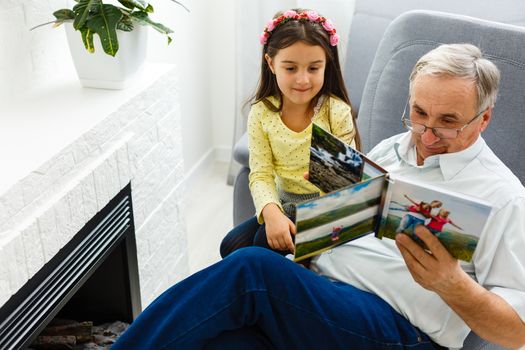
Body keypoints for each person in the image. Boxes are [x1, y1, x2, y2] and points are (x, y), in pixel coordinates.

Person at [111, 44, 525, 349]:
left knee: (250, 271)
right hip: (321, 295)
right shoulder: (393, 150)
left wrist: (451, 283)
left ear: (483, 118)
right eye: (418, 114)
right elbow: (347, 221)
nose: (427, 135)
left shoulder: (502, 198)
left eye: (448, 122)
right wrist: (317, 214)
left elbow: (517, 331)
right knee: (225, 328)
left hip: (396, 330)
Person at [219, 9, 360, 258]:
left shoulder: (335, 112)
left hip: (322, 211)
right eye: (291, 68)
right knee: (230, 245)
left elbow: (343, 185)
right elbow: (260, 173)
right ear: (271, 64)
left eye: (314, 68)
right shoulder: (261, 112)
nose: (303, 79)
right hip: (284, 203)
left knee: (262, 247)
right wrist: (272, 213)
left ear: (327, 65)